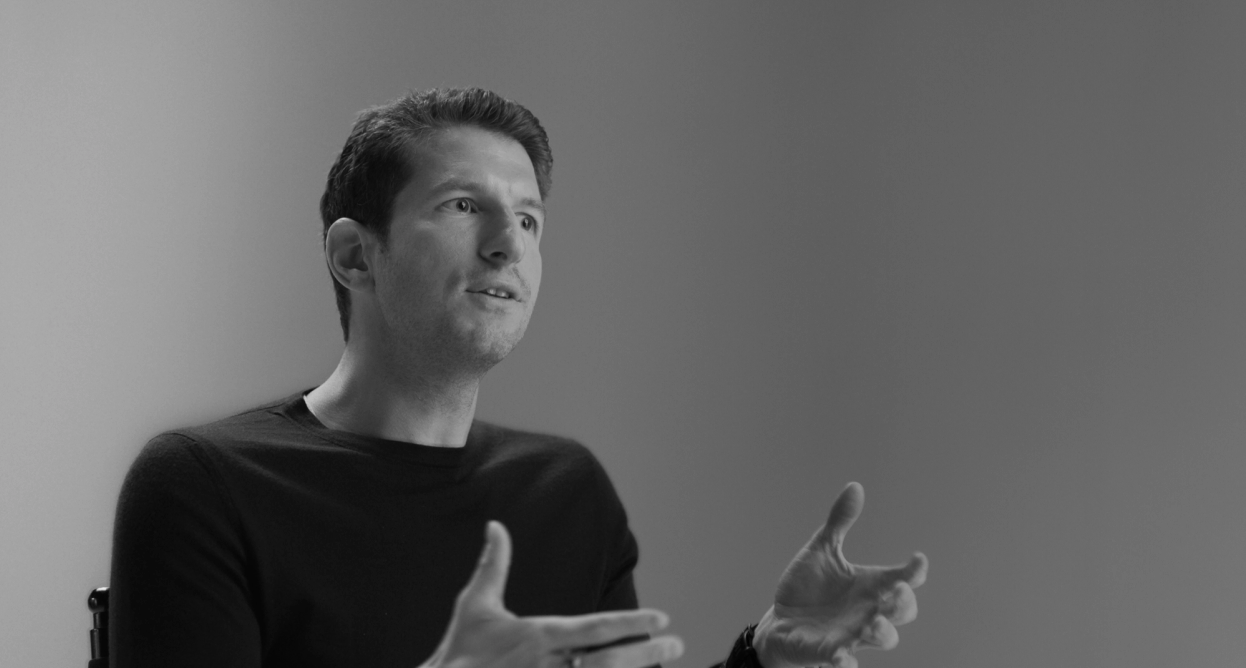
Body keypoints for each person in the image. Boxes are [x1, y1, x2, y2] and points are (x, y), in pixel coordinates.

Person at [109, 88, 928, 668]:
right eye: (463, 206)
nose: (508, 244)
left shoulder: (565, 492)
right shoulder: (203, 487)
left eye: (529, 218)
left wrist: (766, 658)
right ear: (356, 255)